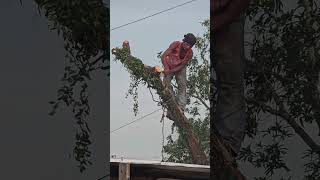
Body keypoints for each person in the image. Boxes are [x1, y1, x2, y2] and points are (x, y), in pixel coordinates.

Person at [211, 0, 252, 162]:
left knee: (230, 81)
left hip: (228, 13)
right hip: (194, 12)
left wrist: (215, 22)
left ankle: (227, 144)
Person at [161, 33, 196, 119]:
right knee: (165, 84)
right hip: (169, 65)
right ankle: (172, 104)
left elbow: (182, 66)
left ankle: (181, 108)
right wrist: (166, 67)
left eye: (190, 46)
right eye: (187, 44)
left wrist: (172, 71)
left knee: (182, 85)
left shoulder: (190, 53)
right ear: (183, 42)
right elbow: (164, 56)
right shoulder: (175, 44)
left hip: (180, 68)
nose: (187, 47)